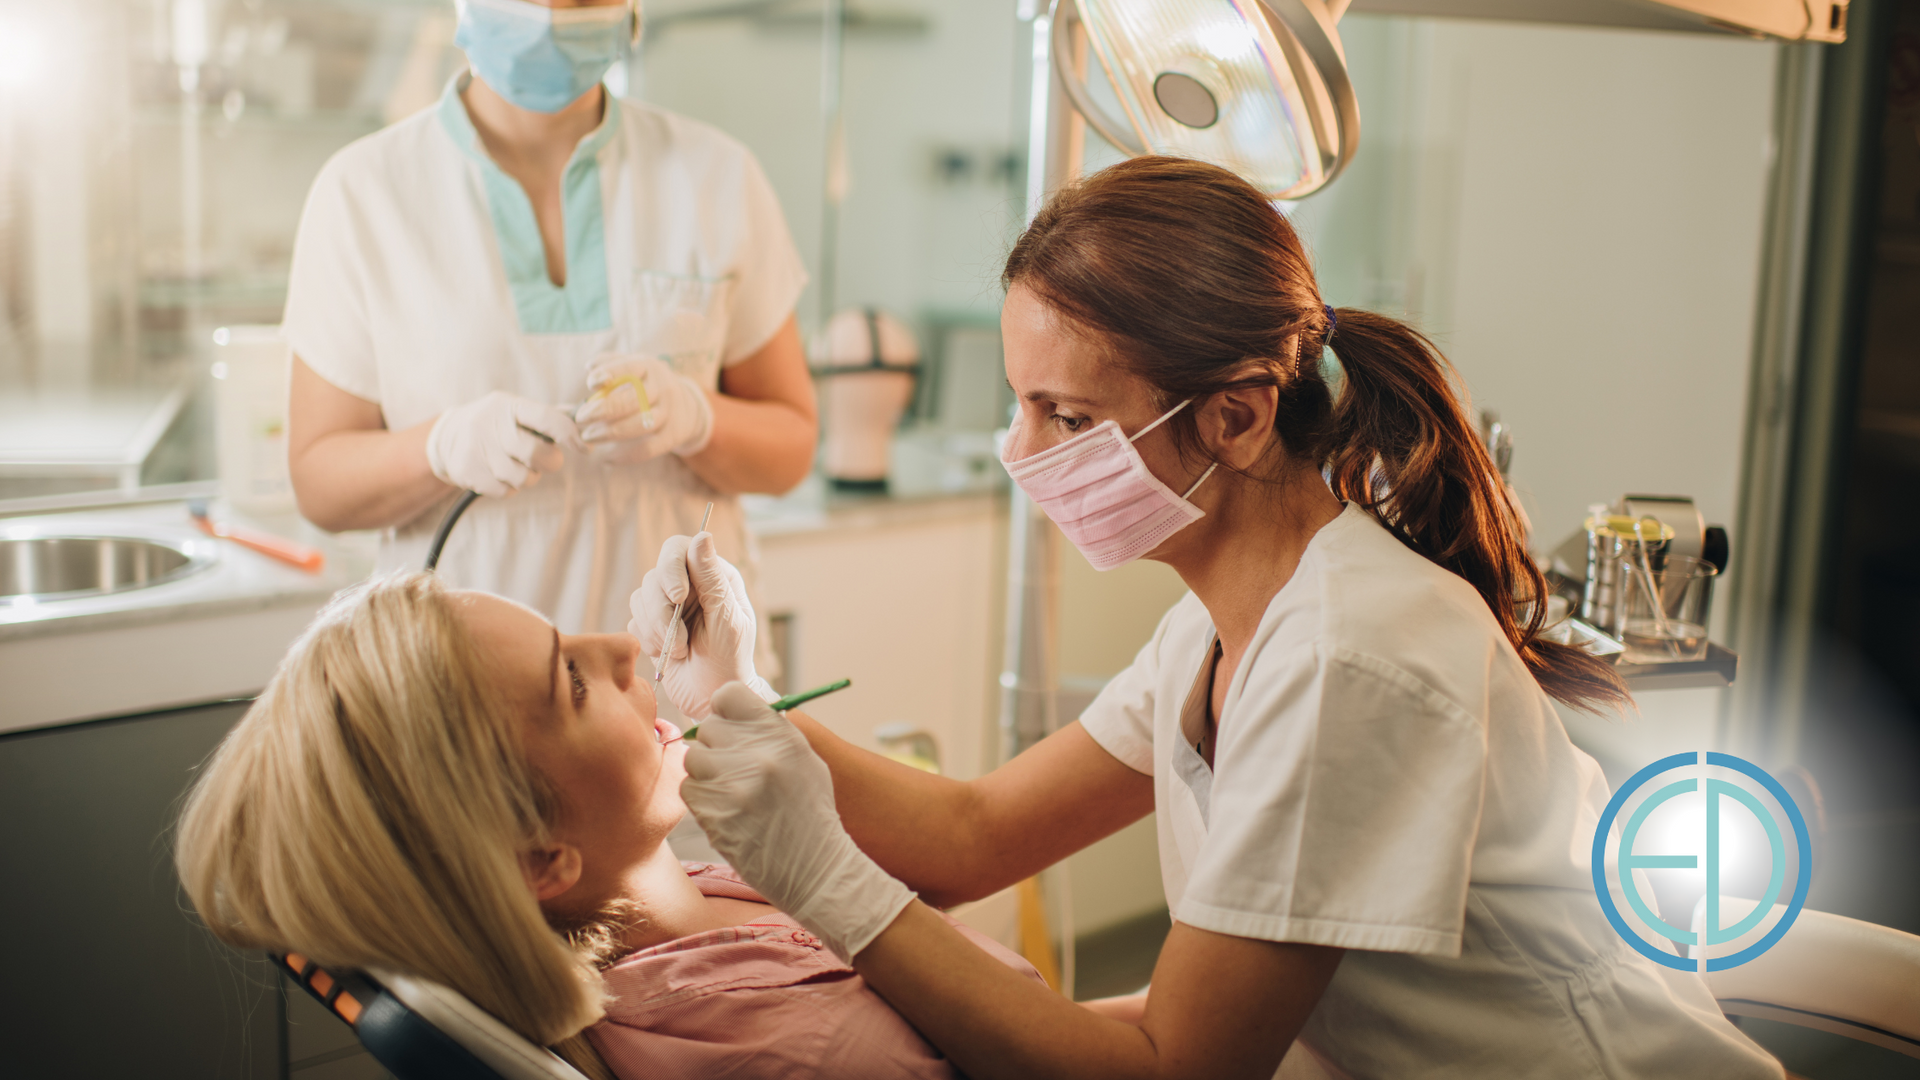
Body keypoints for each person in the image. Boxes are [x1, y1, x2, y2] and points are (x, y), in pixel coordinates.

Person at [630, 158, 1787, 1079]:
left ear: (1233, 418)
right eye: (1016, 405)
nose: (1022, 455)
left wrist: (822, 881)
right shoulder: (1227, 620)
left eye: (1066, 416)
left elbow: (1171, 1067)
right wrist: (732, 698)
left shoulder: (1351, 656)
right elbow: (973, 834)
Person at [173, 573, 1040, 1080]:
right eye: (575, 683)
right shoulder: (810, 1053)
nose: (626, 651)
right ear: (544, 858)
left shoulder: (694, 904)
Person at [284, 0, 815, 635]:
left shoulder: (716, 177)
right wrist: (439, 449)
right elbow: (320, 482)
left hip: (684, 675)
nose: (550, 15)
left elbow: (790, 446)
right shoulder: (364, 192)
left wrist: (697, 418)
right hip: (464, 683)